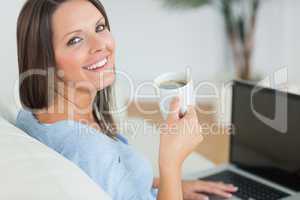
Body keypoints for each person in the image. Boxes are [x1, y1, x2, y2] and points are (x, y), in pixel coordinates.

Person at [15, 0, 237, 199]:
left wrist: (167, 186)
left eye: (99, 27)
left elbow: (104, 180)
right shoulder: (87, 148)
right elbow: (95, 162)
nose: (100, 45)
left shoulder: (34, 116)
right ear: (45, 60)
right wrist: (171, 163)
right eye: (75, 40)